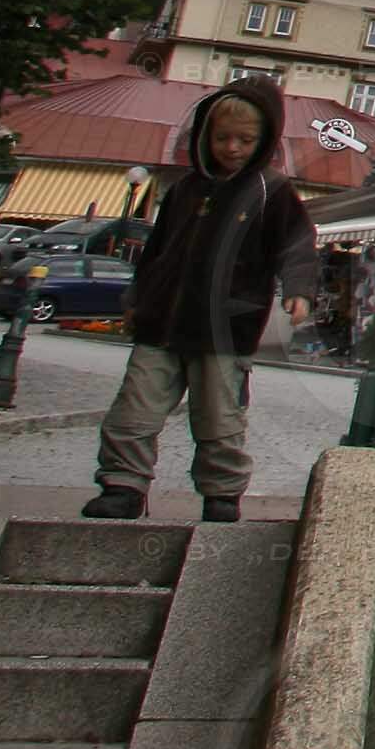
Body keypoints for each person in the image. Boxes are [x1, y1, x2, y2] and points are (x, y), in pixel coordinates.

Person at [84, 82, 315, 523]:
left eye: (245, 141)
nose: (232, 148)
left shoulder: (272, 190)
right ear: (205, 137)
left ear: (263, 140)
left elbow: (297, 244)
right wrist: (135, 298)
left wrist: (299, 288)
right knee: (134, 411)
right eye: (223, 138)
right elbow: (157, 251)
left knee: (219, 419)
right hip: (161, 324)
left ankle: (221, 495)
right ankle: (123, 487)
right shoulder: (186, 189)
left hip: (224, 330)